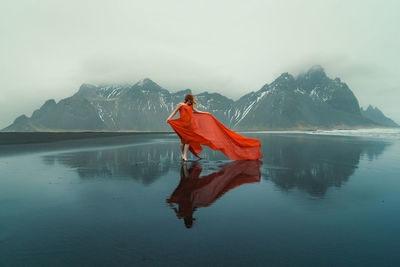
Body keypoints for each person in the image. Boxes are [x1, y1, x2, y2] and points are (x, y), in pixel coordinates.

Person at [166, 94, 263, 161]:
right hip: (182, 124)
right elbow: (174, 112)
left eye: (192, 100)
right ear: (187, 99)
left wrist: (206, 113)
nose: (191, 101)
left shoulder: (191, 106)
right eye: (190, 100)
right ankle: (182, 154)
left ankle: (185, 155)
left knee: (188, 140)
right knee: (183, 140)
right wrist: (169, 118)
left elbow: (197, 112)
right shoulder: (180, 105)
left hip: (190, 125)